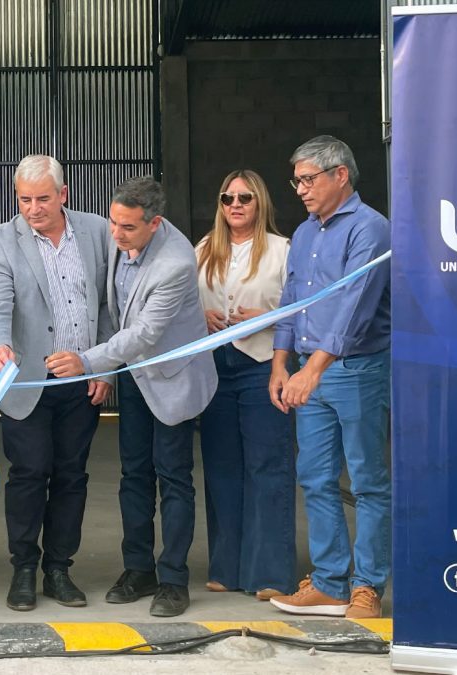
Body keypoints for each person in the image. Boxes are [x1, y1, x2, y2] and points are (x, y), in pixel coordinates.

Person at [48, 176, 217, 617]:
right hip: (137, 378)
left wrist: (87, 362)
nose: (116, 235)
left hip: (172, 378)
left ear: (154, 223)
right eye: (113, 223)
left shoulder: (176, 264)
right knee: (134, 476)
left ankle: (174, 580)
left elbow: (143, 333)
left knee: (174, 477)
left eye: (127, 228)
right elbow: (113, 309)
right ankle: (139, 569)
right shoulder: (119, 237)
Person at [0, 155, 114, 612]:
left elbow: (110, 303)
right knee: (30, 472)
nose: (32, 208)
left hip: (81, 379)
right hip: (27, 381)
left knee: (72, 475)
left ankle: (59, 569)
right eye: (24, 199)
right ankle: (23, 569)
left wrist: (104, 366)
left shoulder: (97, 231)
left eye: (41, 198)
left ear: (63, 194)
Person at [267, 135, 391, 620]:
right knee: (315, 478)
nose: (300, 189)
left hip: (356, 370)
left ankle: (367, 587)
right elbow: (292, 302)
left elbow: (353, 307)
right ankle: (328, 583)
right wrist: (281, 364)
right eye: (296, 181)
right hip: (306, 374)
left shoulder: (371, 229)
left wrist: (312, 372)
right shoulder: (304, 235)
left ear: (341, 174)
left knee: (367, 481)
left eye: (308, 179)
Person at [195, 169, 295, 601]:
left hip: (263, 364)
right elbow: (178, 306)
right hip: (215, 366)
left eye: (245, 197)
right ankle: (226, 567)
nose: (235, 204)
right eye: (227, 197)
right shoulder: (202, 249)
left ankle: (270, 571)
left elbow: (302, 309)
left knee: (267, 467)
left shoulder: (284, 250)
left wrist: (266, 317)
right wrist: (200, 318)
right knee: (221, 468)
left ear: (260, 203)